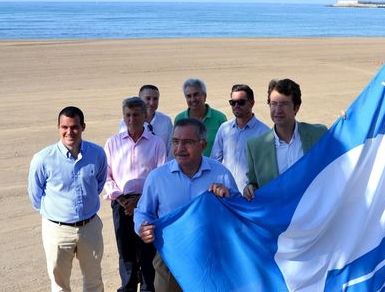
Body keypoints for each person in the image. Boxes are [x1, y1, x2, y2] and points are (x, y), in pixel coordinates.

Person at [134, 118, 239, 292]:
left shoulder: (220, 174)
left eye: (188, 142)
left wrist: (227, 197)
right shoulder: (158, 177)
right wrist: (142, 227)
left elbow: (238, 211)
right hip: (170, 259)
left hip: (212, 259)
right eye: (175, 141)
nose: (180, 148)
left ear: (203, 144)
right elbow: (143, 212)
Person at [28, 106, 107, 292]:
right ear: (58, 127)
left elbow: (99, 183)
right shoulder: (43, 159)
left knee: (94, 281)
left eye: (74, 127)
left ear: (83, 127)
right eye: (65, 127)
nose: (69, 132)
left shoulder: (97, 154)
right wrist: (58, 215)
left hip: (90, 228)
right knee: (59, 285)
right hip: (57, 230)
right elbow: (35, 195)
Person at [105, 97, 167, 292]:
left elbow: (160, 174)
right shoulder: (113, 143)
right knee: (126, 251)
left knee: (148, 249)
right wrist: (123, 200)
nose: (132, 119)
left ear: (145, 116)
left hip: (148, 204)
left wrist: (140, 200)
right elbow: (105, 175)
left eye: (136, 115)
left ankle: (148, 288)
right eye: (128, 115)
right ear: (123, 117)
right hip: (121, 204)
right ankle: (128, 287)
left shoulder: (156, 143)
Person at [243, 79, 327, 200]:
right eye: (273, 104)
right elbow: (253, 183)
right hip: (278, 215)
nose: (277, 110)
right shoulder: (255, 146)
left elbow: (337, 163)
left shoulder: (318, 134)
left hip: (313, 212)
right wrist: (249, 188)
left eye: (284, 104)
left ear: (296, 107)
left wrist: (346, 122)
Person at [210, 84, 269, 192]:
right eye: (233, 102)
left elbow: (266, 171)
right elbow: (214, 162)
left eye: (241, 102)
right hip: (226, 195)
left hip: (251, 196)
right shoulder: (224, 129)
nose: (236, 105)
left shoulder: (264, 133)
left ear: (252, 103)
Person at [174, 78, 226, 157]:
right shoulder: (179, 119)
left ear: (204, 96)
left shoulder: (220, 118)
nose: (193, 99)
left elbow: (225, 148)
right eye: (188, 96)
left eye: (196, 94)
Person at [119, 85, 174, 156]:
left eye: (155, 99)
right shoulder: (127, 122)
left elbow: (170, 147)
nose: (152, 103)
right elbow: (124, 147)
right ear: (139, 100)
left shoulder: (166, 121)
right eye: (148, 98)